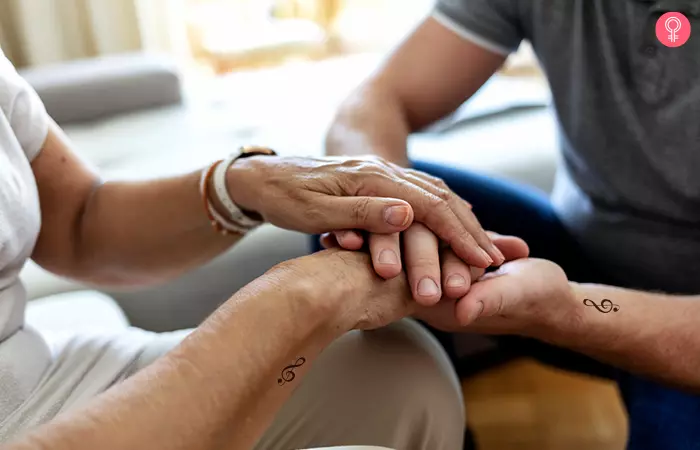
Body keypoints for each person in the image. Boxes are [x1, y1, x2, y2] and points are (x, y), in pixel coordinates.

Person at [0, 45, 532, 449]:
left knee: (401, 372)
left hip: (34, 371)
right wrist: (298, 300)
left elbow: (77, 219)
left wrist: (242, 185)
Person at [324, 1, 700, 448]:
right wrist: (398, 207)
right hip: (585, 254)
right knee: (352, 207)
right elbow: (375, 102)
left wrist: (568, 310)